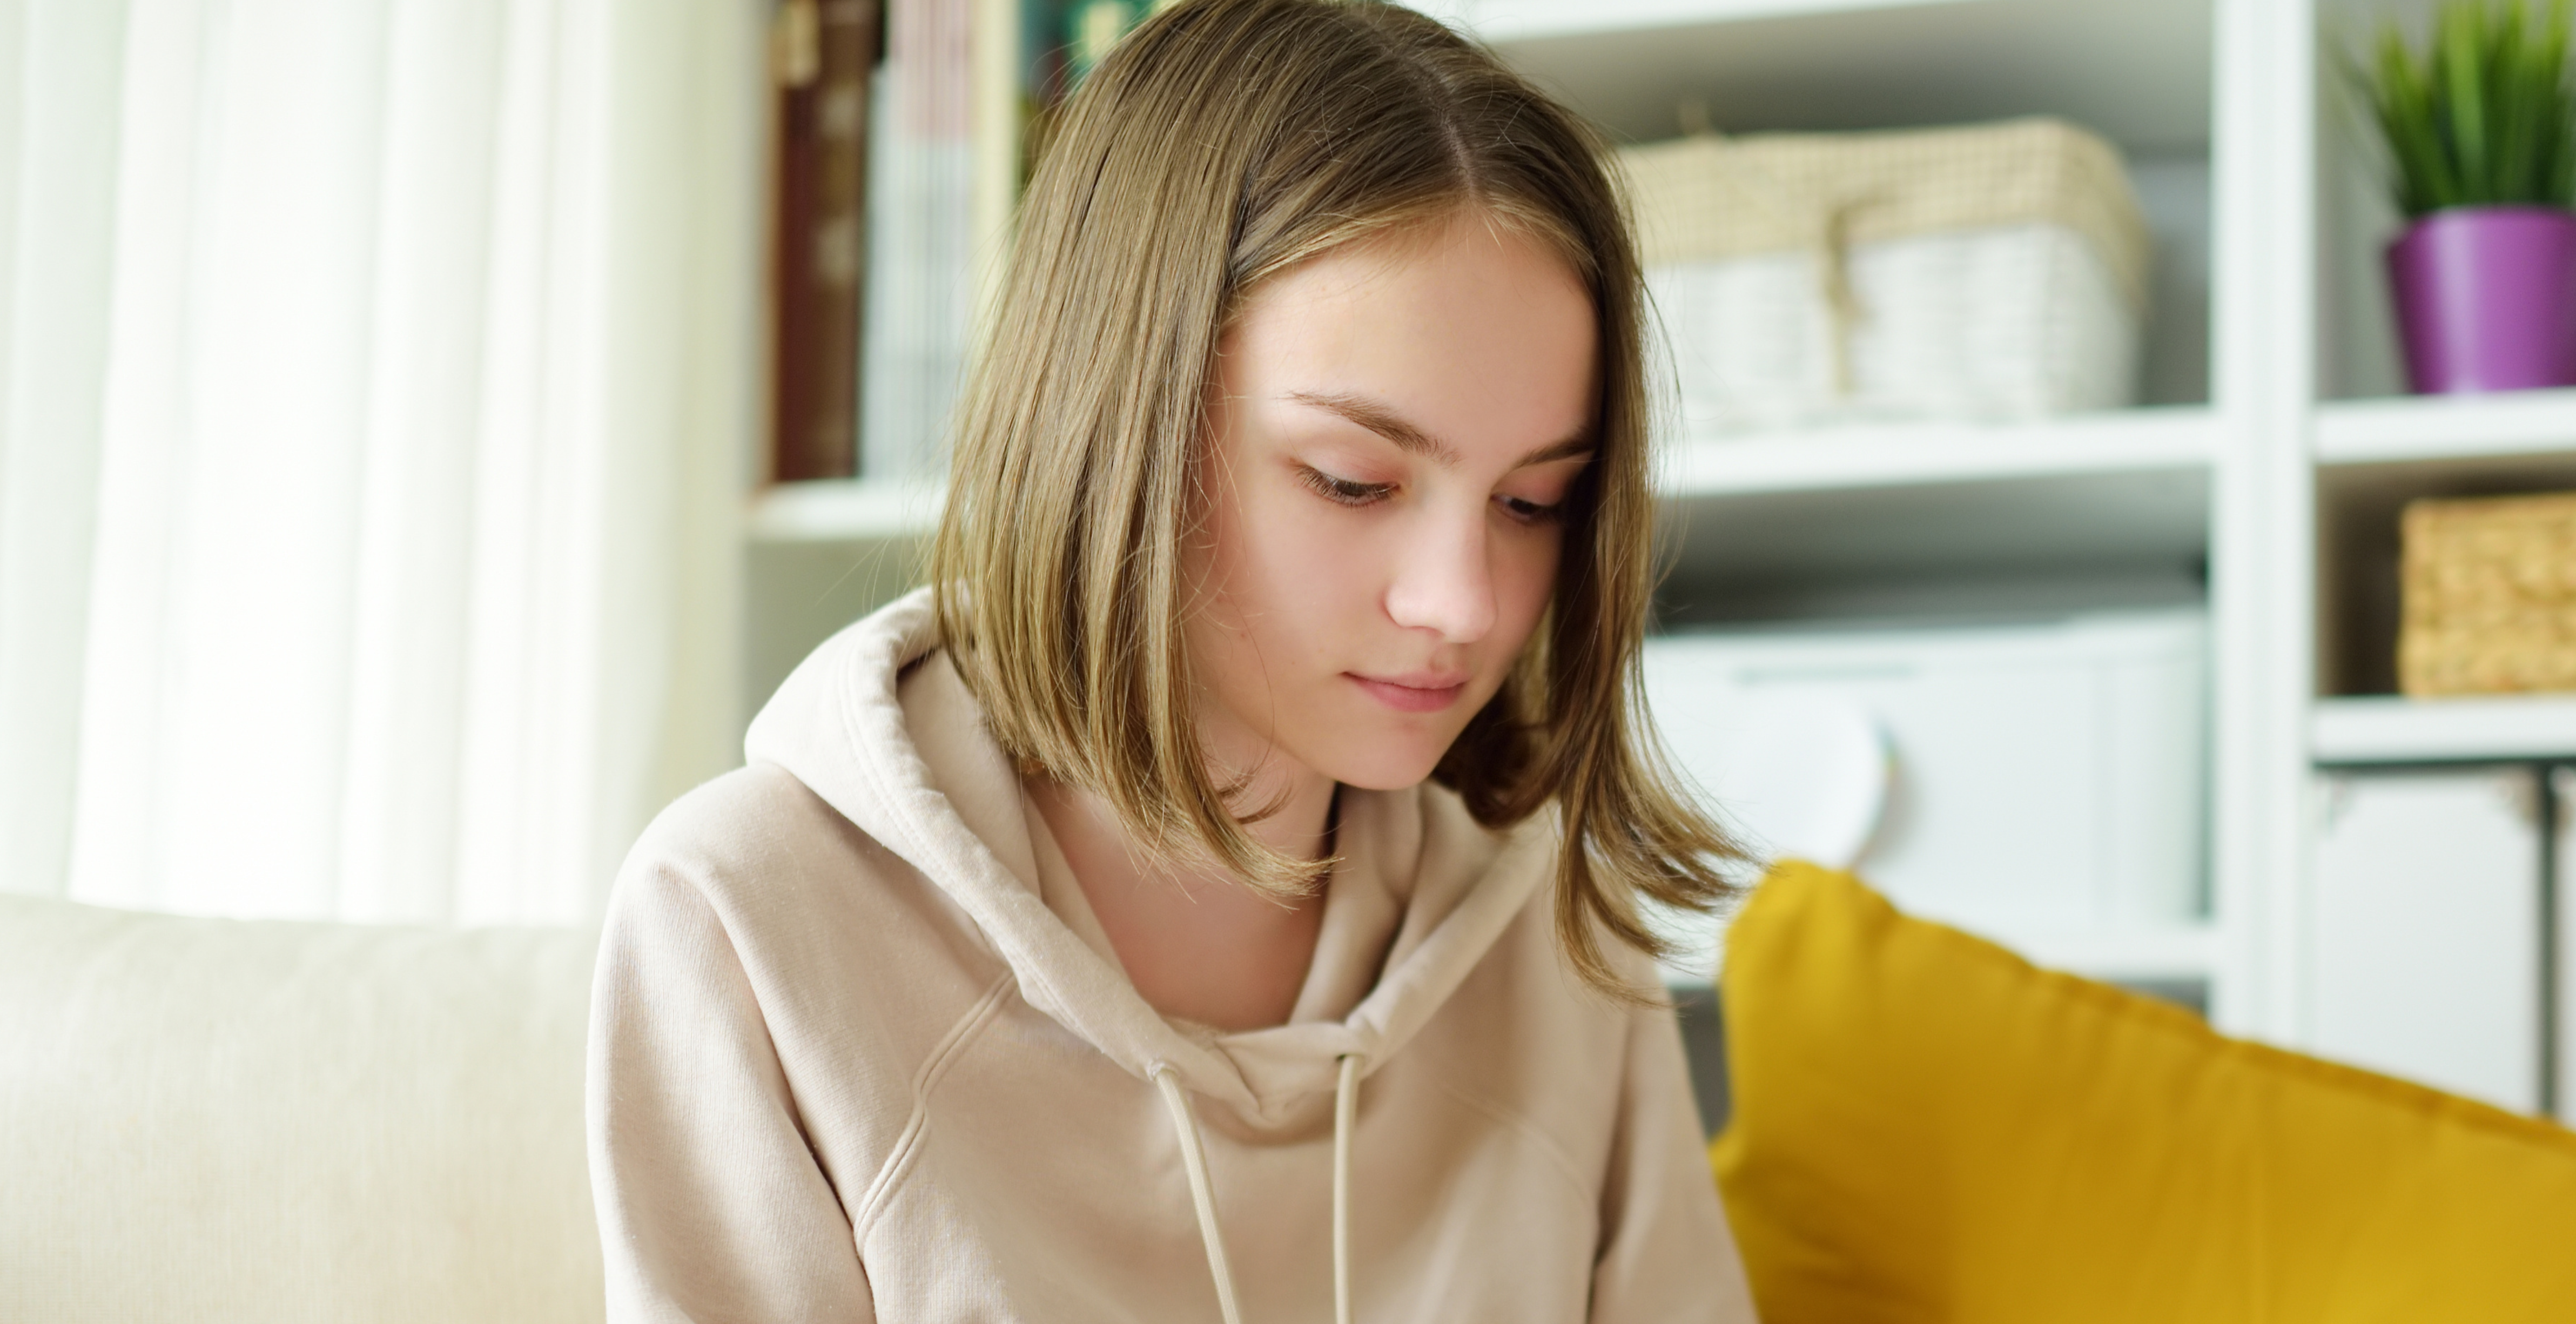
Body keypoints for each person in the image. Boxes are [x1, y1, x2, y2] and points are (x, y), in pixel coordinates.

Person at [583, 2, 1758, 1319]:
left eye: (1535, 501)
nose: (1463, 603)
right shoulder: (745, 916)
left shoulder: (1557, 947)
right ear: (1119, 420)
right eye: (1354, 480)